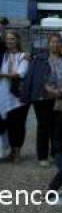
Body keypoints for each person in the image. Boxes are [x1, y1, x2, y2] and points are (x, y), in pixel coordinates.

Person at [24, 33, 62, 166]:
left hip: (60, 98)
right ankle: (42, 156)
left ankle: (55, 154)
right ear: (48, 44)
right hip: (43, 97)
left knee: (57, 127)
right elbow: (33, 76)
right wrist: (30, 93)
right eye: (53, 42)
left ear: (61, 44)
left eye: (58, 42)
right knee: (43, 126)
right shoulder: (39, 59)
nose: (55, 44)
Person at [0, 30, 30, 161]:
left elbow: (20, 73)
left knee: (18, 124)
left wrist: (2, 75)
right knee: (4, 123)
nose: (9, 41)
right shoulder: (3, 55)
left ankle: (16, 151)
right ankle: (7, 150)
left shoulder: (23, 56)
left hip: (18, 96)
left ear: (17, 40)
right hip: (3, 94)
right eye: (7, 39)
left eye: (12, 39)